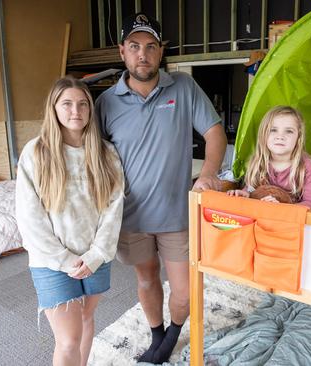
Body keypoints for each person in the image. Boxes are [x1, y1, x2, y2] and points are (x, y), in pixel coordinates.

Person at [95, 12, 227, 364]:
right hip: (131, 216)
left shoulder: (182, 87)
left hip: (176, 214)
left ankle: (171, 336)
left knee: (183, 292)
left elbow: (214, 132)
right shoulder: (106, 102)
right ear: (122, 51)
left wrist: (208, 173)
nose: (143, 54)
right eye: (135, 46)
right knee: (147, 279)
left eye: (150, 46)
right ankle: (156, 336)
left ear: (161, 51)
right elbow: (92, 157)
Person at [16, 76, 124, 366]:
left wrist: (96, 255)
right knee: (68, 340)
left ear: (90, 109)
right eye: (67, 104)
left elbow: (114, 209)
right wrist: (65, 260)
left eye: (82, 104)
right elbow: (29, 217)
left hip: (95, 256)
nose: (75, 111)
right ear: (53, 109)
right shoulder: (36, 153)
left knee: (87, 319)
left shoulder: (106, 153)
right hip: (52, 260)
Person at [227, 105, 311, 209]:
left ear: (298, 137)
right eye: (273, 130)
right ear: (263, 134)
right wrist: (244, 194)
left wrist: (281, 208)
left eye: (289, 131)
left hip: (290, 221)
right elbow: (250, 189)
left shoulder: (307, 166)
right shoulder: (257, 161)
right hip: (260, 217)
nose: (280, 136)